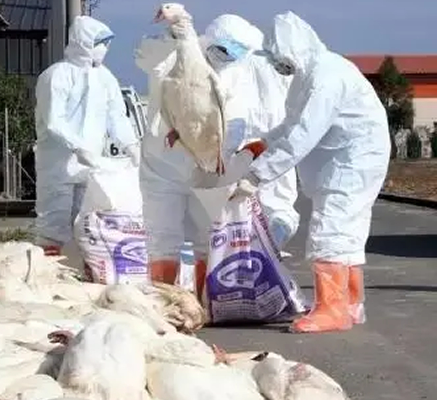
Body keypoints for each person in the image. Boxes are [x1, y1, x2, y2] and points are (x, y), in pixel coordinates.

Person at [231, 11, 390, 333]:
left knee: (330, 231)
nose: (280, 66)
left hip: (351, 163)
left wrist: (256, 175)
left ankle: (332, 310)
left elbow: (302, 135)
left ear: (296, 48)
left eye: (281, 59)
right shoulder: (307, 76)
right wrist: (263, 143)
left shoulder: (327, 77)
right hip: (345, 162)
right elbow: (291, 123)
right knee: (348, 233)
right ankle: (350, 304)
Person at [135, 15, 295, 300]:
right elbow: (147, 55)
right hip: (164, 163)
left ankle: (201, 301)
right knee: (162, 236)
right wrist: (174, 36)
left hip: (205, 168)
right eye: (222, 48)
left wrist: (227, 160)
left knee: (206, 237)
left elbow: (235, 124)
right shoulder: (179, 54)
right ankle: (163, 301)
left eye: (234, 52)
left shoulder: (237, 74)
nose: (225, 56)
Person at [33, 16, 140, 257]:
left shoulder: (105, 78)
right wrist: (78, 147)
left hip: (91, 166)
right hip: (59, 165)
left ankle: (80, 267)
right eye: (100, 43)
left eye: (107, 44)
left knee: (87, 223)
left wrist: (131, 145)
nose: (104, 49)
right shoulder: (56, 75)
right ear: (84, 43)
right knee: (54, 223)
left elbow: (116, 116)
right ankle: (50, 270)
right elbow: (53, 120)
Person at [201, 14, 301, 253]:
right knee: (278, 204)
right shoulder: (270, 62)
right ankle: (268, 247)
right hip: (275, 143)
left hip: (242, 146)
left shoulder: (228, 67)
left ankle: (244, 250)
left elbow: (223, 113)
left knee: (233, 202)